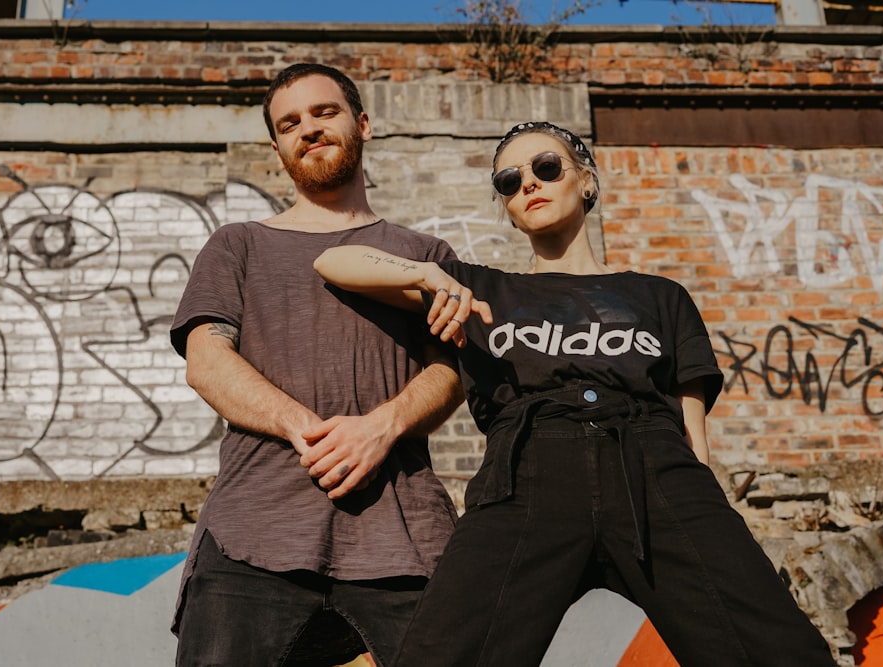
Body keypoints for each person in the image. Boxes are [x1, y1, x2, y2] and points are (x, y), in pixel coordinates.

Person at [313, 121, 837, 667]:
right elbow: (334, 262)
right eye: (509, 182)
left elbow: (692, 433)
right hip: (525, 476)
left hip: (655, 474)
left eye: (545, 168)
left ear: (586, 181)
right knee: (444, 653)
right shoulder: (480, 288)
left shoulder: (661, 296)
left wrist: (704, 517)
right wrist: (427, 274)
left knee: (777, 649)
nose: (528, 186)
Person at [168, 63, 463, 667]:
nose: (307, 129)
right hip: (252, 535)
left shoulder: (424, 256)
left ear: (363, 124)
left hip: (404, 539)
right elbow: (205, 361)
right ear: (277, 147)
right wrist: (312, 430)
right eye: (289, 123)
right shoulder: (238, 244)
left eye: (323, 113)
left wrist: (378, 428)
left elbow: (453, 369)